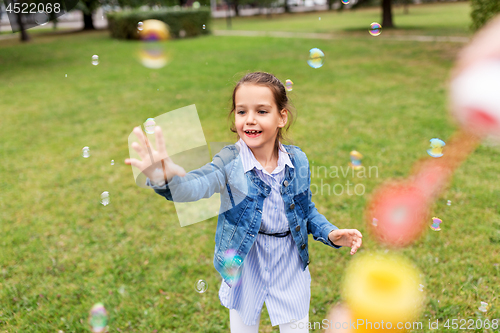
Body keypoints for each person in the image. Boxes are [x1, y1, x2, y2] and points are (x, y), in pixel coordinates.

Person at [125, 71, 363, 333]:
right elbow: (195, 185)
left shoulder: (298, 161)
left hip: (289, 259)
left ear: (282, 117)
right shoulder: (230, 161)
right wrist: (165, 179)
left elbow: (306, 210)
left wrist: (329, 232)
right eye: (241, 112)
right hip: (245, 259)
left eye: (262, 111)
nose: (250, 120)